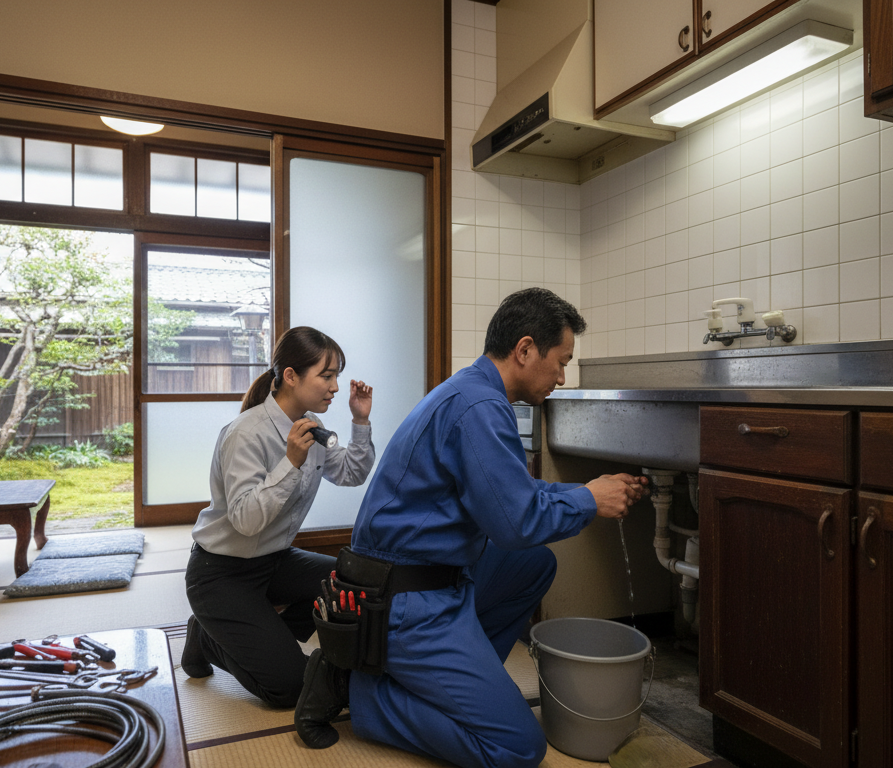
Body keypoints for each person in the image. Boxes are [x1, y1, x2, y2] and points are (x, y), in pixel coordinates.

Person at [294, 288, 648, 767]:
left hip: (422, 579)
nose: (562, 378)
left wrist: (590, 491)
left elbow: (514, 500)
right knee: (518, 747)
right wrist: (589, 499)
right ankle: (357, 689)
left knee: (533, 564)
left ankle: (460, 681)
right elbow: (516, 521)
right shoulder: (481, 408)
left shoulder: (471, 391)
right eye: (561, 362)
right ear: (524, 350)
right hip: (404, 602)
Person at [181, 326, 376, 708]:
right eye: (326, 375)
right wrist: (290, 462)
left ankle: (259, 639)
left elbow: (352, 473)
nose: (335, 386)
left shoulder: (313, 429)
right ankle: (206, 638)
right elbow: (245, 521)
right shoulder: (245, 433)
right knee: (290, 688)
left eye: (336, 375)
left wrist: (360, 421)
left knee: (351, 585)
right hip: (220, 573)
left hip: (273, 562)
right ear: (290, 376)